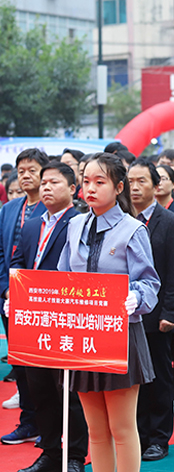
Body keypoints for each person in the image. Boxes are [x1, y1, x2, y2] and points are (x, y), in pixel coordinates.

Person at [57, 152, 161, 472]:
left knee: (122, 428)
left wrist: (135, 296)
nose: (90, 188)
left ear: (118, 187)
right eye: (86, 181)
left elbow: (150, 282)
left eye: (99, 182)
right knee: (96, 430)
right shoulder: (74, 225)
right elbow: (62, 276)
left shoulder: (133, 230)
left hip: (121, 334)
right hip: (82, 333)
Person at [9, 162, 88, 472]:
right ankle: (51, 453)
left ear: (72, 189)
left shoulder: (80, 222)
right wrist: (10, 293)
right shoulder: (32, 225)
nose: (46, 188)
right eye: (44, 183)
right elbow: (18, 263)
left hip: (66, 320)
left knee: (69, 392)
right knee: (39, 388)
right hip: (33, 321)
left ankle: (75, 456)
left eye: (54, 182)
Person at [128, 159, 174, 462]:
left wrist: (170, 313)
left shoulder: (172, 222)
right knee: (132, 380)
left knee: (159, 378)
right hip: (127, 315)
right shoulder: (123, 220)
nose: (135, 187)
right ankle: (136, 435)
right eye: (130, 182)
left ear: (156, 185)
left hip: (157, 317)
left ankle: (159, 437)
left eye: (142, 181)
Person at [0, 148, 48, 445]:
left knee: (43, 368)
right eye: (21, 171)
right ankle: (28, 421)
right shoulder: (8, 209)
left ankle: (50, 426)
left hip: (43, 301)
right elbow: (1, 253)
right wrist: (6, 288)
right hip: (11, 299)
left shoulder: (53, 207)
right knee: (20, 364)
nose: (26, 176)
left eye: (32, 170)